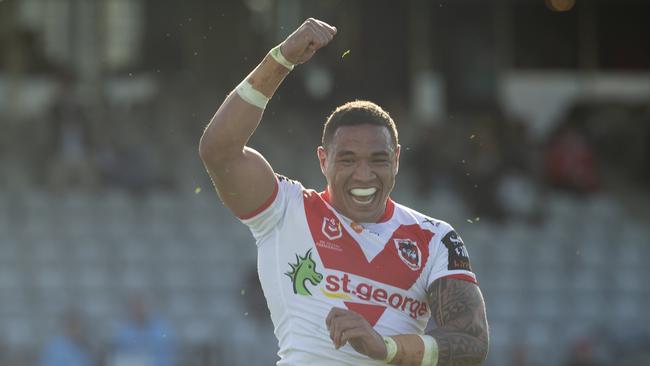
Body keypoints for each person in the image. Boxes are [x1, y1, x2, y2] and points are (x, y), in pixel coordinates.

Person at [199, 18, 489, 366]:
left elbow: (472, 343)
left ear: (396, 160)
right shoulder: (285, 211)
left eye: (378, 160)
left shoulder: (436, 239)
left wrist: (386, 348)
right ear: (323, 160)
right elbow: (219, 150)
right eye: (347, 159)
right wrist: (281, 59)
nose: (363, 175)